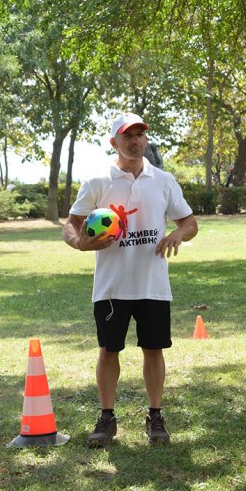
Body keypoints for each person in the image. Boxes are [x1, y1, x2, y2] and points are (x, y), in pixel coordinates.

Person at [63, 112, 198, 447]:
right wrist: (81, 242)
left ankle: (155, 417)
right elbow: (71, 224)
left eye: (140, 135)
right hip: (111, 286)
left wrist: (177, 235)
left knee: (154, 350)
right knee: (109, 351)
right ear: (114, 143)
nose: (136, 141)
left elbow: (190, 223)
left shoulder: (163, 180)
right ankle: (107, 419)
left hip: (153, 285)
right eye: (128, 136)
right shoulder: (97, 181)